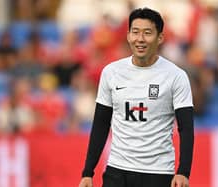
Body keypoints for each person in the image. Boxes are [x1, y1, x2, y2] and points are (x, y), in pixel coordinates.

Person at [79, 7, 194, 187]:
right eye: (135, 32)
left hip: (158, 173)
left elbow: (186, 128)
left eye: (147, 33)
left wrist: (183, 172)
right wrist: (87, 172)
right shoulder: (111, 72)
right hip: (117, 170)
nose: (140, 39)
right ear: (128, 36)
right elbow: (101, 123)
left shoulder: (176, 76)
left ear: (160, 38)